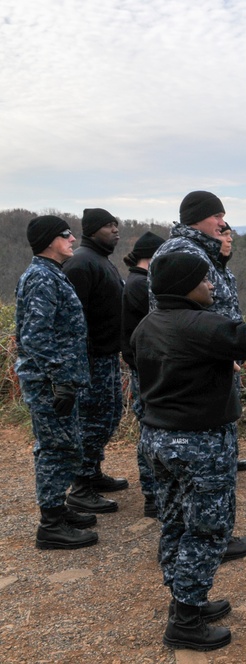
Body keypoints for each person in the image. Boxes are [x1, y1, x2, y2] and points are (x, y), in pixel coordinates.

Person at [132, 252, 246, 651]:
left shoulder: (148, 325)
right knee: (208, 529)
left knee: (175, 522)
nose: (211, 285)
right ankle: (185, 621)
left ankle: (185, 601)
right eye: (204, 280)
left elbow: (157, 366)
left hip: (157, 440)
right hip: (199, 443)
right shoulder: (203, 325)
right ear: (186, 286)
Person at [150, 191, 246, 562]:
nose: (223, 223)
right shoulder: (184, 252)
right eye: (217, 216)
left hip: (215, 356)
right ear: (197, 218)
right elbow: (172, 315)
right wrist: (217, 351)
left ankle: (211, 536)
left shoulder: (202, 250)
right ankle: (212, 540)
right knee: (208, 470)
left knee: (214, 468)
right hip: (205, 367)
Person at [15, 215, 99, 549]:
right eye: (65, 234)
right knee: (56, 449)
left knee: (65, 446)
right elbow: (35, 337)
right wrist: (60, 379)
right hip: (49, 382)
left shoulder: (51, 274)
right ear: (51, 241)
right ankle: (50, 525)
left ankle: (57, 509)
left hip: (57, 380)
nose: (73, 239)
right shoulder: (41, 278)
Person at [61, 207, 126, 515]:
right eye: (108, 226)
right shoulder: (81, 263)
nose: (115, 230)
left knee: (109, 416)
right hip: (90, 360)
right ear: (91, 231)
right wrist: (78, 363)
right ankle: (81, 487)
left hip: (107, 355)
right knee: (92, 421)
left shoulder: (101, 261)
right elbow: (73, 319)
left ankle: (93, 472)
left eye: (116, 225)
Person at [120, 231, 166, 518]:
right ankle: (152, 495)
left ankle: (155, 493)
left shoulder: (137, 281)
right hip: (145, 368)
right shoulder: (140, 285)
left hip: (144, 365)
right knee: (150, 430)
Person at [219, 222, 246, 472]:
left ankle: (229, 455)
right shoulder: (203, 269)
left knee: (231, 407)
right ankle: (219, 459)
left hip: (230, 352)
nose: (230, 240)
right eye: (224, 235)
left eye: (231, 235)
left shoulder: (226, 273)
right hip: (215, 354)